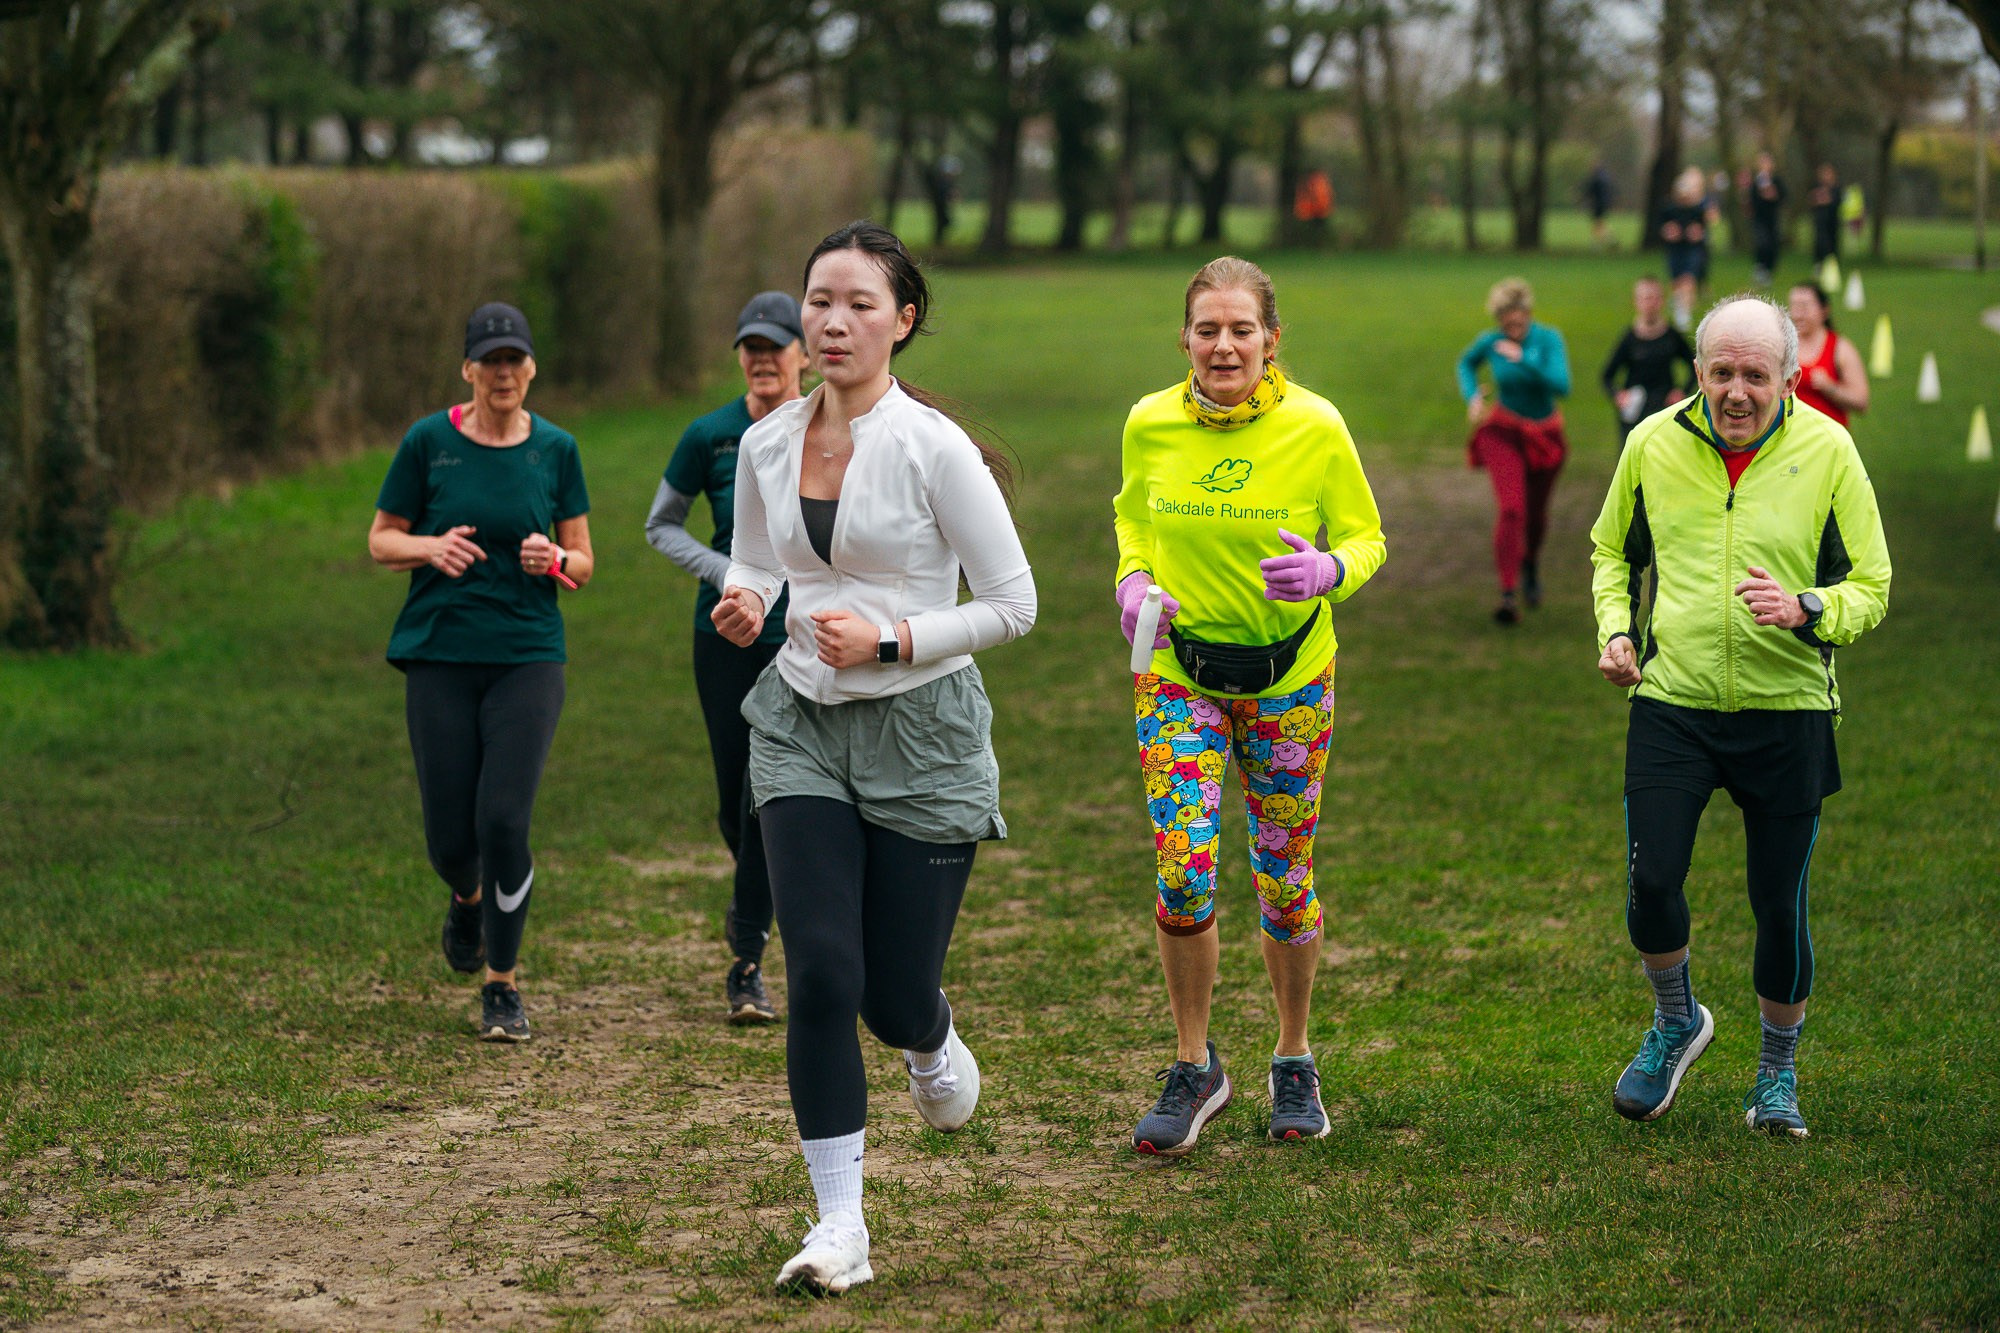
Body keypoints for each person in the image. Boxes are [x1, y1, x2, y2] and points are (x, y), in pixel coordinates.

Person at [712, 222, 1035, 1293]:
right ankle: (838, 1226)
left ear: (901, 321)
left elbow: (1011, 604)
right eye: (817, 301)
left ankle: (929, 1039)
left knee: (891, 996)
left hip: (921, 733)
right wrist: (746, 597)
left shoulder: (930, 447)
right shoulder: (765, 444)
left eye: (856, 303)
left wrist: (895, 638)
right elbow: (761, 558)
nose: (832, 321)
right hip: (799, 719)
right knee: (819, 970)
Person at [1589, 294, 1891, 1140]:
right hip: (1672, 701)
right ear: (1698, 372)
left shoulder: (1830, 448)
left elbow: (1873, 582)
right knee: (1651, 882)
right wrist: (1616, 630)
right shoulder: (1651, 443)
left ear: (1790, 378)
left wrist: (1807, 608)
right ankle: (1677, 1018)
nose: (1736, 391)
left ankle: (1776, 1074)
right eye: (1721, 372)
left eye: (1755, 375)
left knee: (1779, 905)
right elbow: (1612, 550)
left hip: (1786, 710)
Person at [1112, 256, 1386, 1156]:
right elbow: (1133, 517)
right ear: (1184, 337)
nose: (1223, 345)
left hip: (1290, 681)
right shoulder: (1149, 423)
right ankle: (1195, 1063)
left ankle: (1294, 1058)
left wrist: (1329, 572)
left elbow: (1367, 535)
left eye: (1241, 329)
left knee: (1284, 874)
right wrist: (1134, 574)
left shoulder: (1317, 425)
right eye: (1206, 329)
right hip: (1179, 676)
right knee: (1185, 869)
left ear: (1272, 340)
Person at [368, 302, 593, 1043]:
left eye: (515, 360)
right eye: (490, 360)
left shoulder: (556, 448)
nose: (504, 373)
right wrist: (430, 547)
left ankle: (502, 981)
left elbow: (583, 559)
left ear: (531, 369)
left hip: (528, 653)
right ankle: (466, 898)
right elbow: (380, 540)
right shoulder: (429, 442)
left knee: (503, 818)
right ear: (468, 368)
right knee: (448, 838)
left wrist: (555, 561)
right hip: (439, 651)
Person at [645, 292, 808, 1025]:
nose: (762, 357)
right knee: (733, 798)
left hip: (803, 642)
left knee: (764, 794)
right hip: (725, 637)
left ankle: (747, 956)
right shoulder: (709, 435)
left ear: (804, 351)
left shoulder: (825, 430)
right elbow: (661, 524)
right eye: (750, 345)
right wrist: (729, 574)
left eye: (776, 344)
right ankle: (764, 905)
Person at [1457, 276, 1571, 624]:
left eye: (1519, 313)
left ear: (1529, 311)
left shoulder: (1548, 339)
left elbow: (1562, 385)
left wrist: (1524, 359)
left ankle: (1530, 564)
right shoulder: (1491, 342)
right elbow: (1465, 364)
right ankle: (1508, 593)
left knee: (1535, 518)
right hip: (1503, 432)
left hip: (1545, 436)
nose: (1513, 321)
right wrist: (1473, 396)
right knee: (1512, 510)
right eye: (1506, 315)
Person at [1601, 275, 1696, 449]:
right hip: (1635, 410)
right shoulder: (1629, 338)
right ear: (1636, 302)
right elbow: (1607, 376)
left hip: (1664, 407)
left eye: (1654, 298)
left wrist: (1681, 392)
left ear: (1662, 301)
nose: (1650, 304)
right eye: (1645, 298)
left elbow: (1695, 366)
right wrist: (1619, 395)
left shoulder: (1671, 336)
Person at [1787, 281, 1869, 427]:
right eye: (1794, 306)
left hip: (1829, 441)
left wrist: (1830, 388)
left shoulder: (1840, 348)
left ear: (1824, 310)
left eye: (1805, 307)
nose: (1798, 314)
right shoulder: (1782, 346)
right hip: (1790, 441)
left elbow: (1861, 401)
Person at [1658, 166, 1718, 331]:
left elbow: (1707, 224)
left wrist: (1698, 233)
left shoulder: (1699, 209)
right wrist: (1668, 232)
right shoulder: (1669, 208)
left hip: (1693, 249)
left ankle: (1683, 314)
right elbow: (1662, 227)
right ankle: (1680, 304)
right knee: (1676, 282)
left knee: (1688, 279)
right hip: (1675, 249)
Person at [1748, 151, 1787, 286]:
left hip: (1773, 218)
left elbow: (1783, 197)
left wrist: (1774, 196)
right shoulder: (1755, 182)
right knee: (1762, 242)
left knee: (1773, 244)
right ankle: (1760, 268)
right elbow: (1751, 200)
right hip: (1760, 218)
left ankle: (1769, 271)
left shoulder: (1777, 180)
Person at [1809, 164, 1841, 266]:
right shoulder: (1816, 187)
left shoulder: (1836, 188)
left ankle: (1832, 264)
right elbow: (1812, 201)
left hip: (1832, 220)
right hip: (1820, 220)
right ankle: (1819, 263)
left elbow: (1836, 202)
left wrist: (1825, 200)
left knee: (1832, 243)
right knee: (1820, 241)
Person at [1582, 160, 1615, 249]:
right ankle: (1608, 239)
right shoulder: (1606, 177)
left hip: (1598, 204)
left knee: (1597, 223)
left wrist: (1582, 198)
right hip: (1605, 203)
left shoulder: (1596, 178)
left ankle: (1601, 242)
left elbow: (1590, 191)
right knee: (1600, 223)